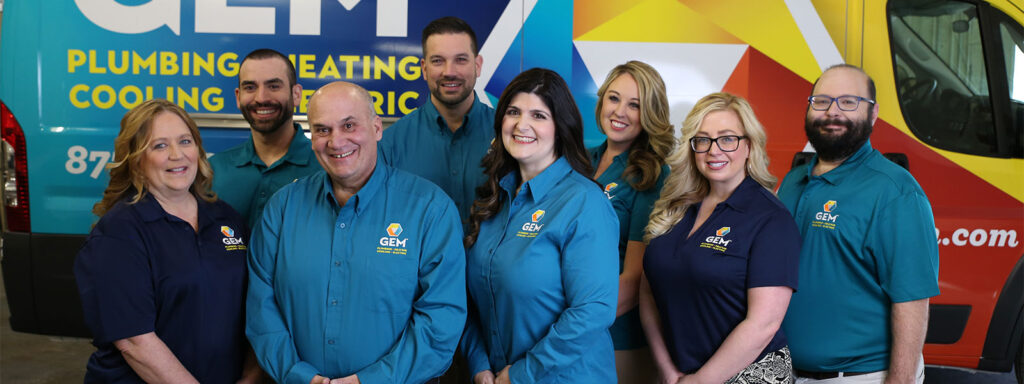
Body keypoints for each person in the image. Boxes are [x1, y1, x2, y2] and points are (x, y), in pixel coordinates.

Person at [246, 81, 467, 384]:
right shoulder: (282, 208)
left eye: (349, 125)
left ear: (376, 128)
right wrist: (298, 376)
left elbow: (442, 319)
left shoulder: (430, 210)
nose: (336, 142)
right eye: (322, 130)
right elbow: (261, 308)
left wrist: (369, 381)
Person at [74, 99, 260, 383]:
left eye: (185, 141)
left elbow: (257, 307)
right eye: (159, 146)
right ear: (136, 160)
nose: (177, 155)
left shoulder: (226, 218)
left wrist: (250, 376)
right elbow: (135, 342)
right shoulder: (119, 234)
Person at [778, 64, 939, 383]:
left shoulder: (896, 192)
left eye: (848, 102)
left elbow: (912, 300)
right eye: (821, 101)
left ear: (873, 113)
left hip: (861, 376)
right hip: (789, 372)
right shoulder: (793, 182)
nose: (832, 112)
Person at [462, 68, 620, 384]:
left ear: (560, 128)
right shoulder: (495, 199)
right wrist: (479, 365)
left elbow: (593, 310)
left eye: (538, 115)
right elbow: (472, 300)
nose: (522, 125)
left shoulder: (584, 202)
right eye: (513, 112)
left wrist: (521, 374)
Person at [640, 92, 801, 384]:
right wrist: (667, 369)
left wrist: (701, 381)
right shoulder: (675, 207)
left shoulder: (771, 219)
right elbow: (648, 292)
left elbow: (763, 324)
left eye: (727, 139)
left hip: (752, 375)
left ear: (749, 146)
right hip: (680, 375)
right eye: (703, 140)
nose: (714, 150)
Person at [589, 60, 674, 383]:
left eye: (634, 105)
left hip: (616, 334)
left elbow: (636, 276)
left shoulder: (652, 175)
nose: (619, 111)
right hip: (566, 322)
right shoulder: (579, 159)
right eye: (614, 98)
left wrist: (577, 325)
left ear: (650, 114)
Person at [379, 16, 494, 223]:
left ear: (477, 65)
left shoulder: (507, 134)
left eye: (461, 60)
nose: (449, 72)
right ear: (424, 69)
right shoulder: (391, 144)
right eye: (438, 61)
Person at [211, 48, 319, 230]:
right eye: (250, 87)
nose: (261, 98)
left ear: (296, 94)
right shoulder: (213, 170)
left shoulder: (326, 167)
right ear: (238, 96)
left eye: (273, 86)